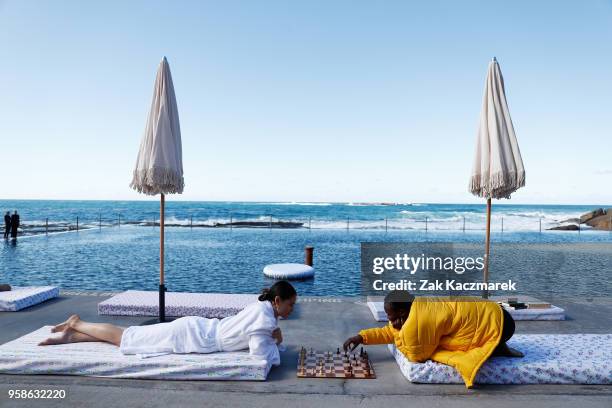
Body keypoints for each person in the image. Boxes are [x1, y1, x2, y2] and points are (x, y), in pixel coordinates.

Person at [39, 281, 297, 370]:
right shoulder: (264, 318)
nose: (292, 309)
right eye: (290, 304)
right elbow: (260, 355)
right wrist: (276, 341)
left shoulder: (260, 308)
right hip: (192, 336)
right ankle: (78, 322)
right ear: (277, 301)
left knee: (130, 338)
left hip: (196, 330)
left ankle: (73, 336)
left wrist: (274, 336)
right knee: (127, 337)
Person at [343, 290, 522, 388]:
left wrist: (401, 332)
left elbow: (417, 355)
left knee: (452, 343)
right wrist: (361, 337)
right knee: (453, 334)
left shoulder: (417, 321)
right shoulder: (416, 306)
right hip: (493, 311)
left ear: (402, 313)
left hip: (501, 325)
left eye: (390, 315)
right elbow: (389, 332)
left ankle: (497, 345)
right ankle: (498, 346)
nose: (389, 319)